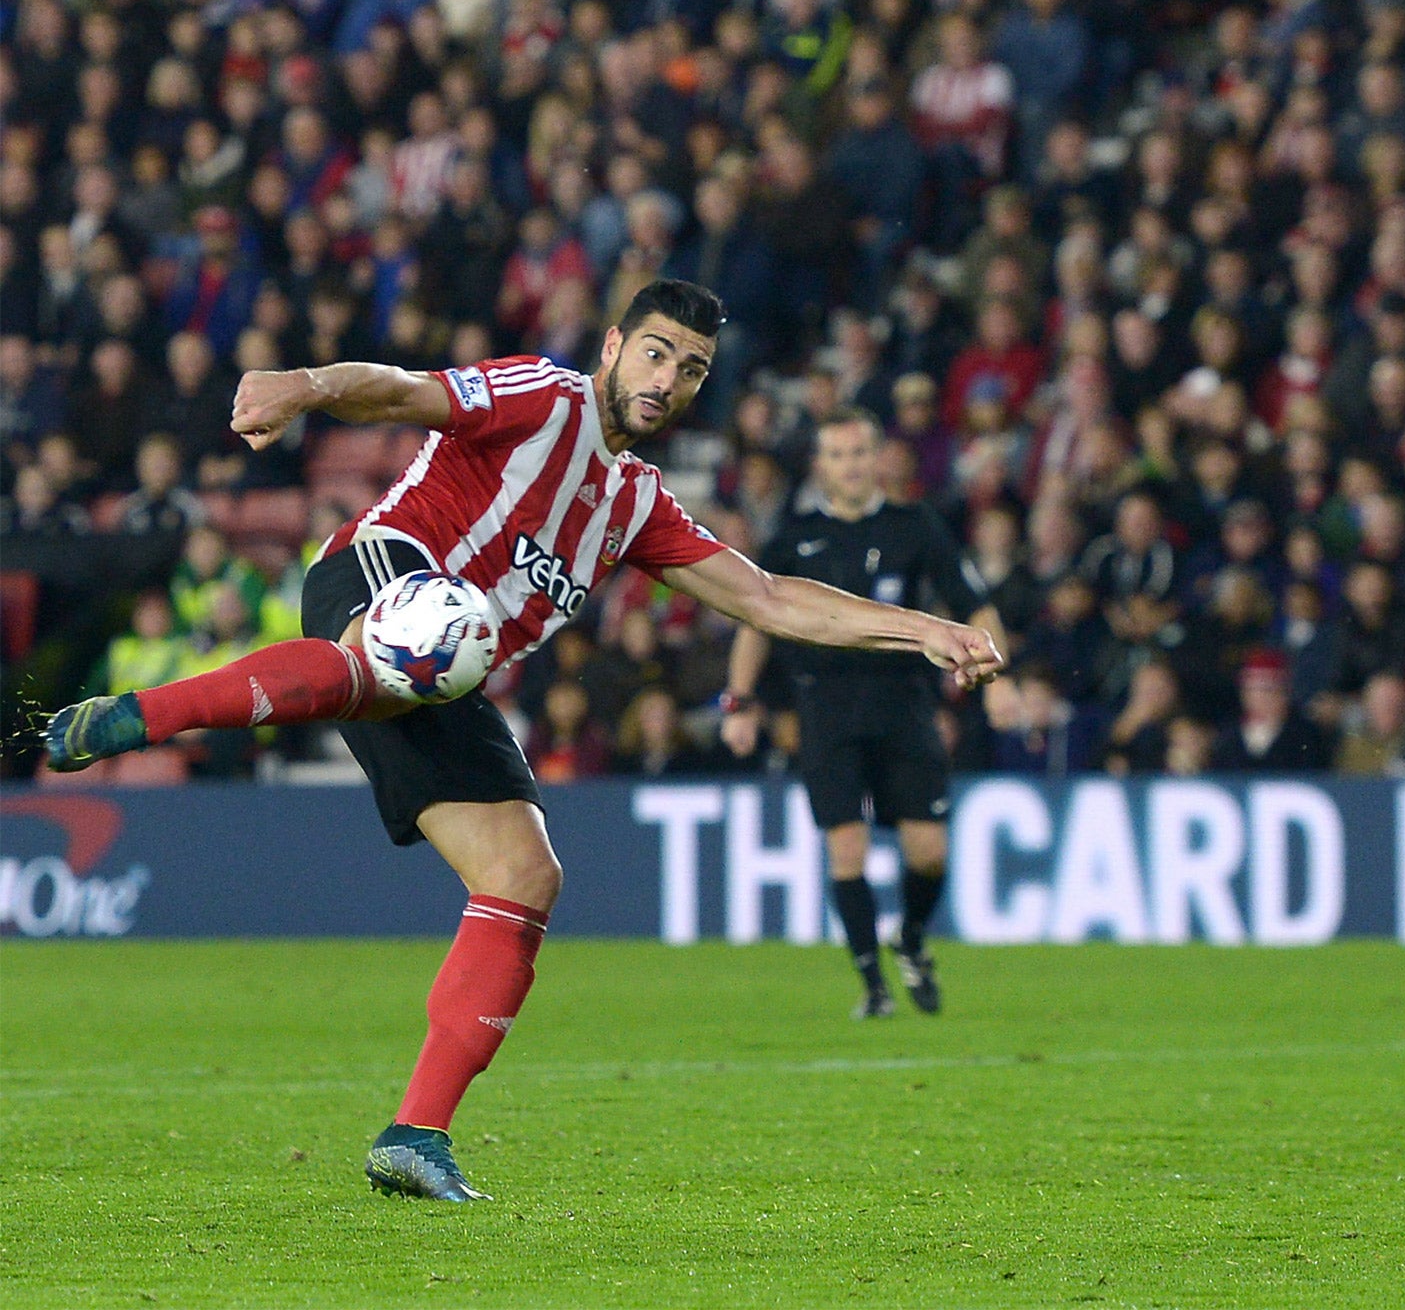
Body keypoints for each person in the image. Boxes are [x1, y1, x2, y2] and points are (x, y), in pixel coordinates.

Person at [45, 280, 1003, 1201]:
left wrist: (923, 630)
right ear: (614, 348)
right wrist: (303, 387)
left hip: (445, 665)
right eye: (658, 352)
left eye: (694, 369)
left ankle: (414, 1136)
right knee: (425, 641)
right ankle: (143, 716)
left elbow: (767, 598)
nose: (668, 380)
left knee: (523, 871)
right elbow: (401, 392)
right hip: (381, 571)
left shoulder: (636, 505)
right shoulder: (541, 395)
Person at [719, 406, 1014, 1019]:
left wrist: (998, 677)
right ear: (820, 465)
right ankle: (872, 986)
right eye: (838, 455)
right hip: (826, 708)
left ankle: (908, 937)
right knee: (846, 848)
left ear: (877, 458)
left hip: (906, 705)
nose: (851, 466)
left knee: (928, 850)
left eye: (860, 453)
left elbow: (971, 602)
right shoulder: (794, 536)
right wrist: (741, 701)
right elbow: (756, 620)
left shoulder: (915, 526)